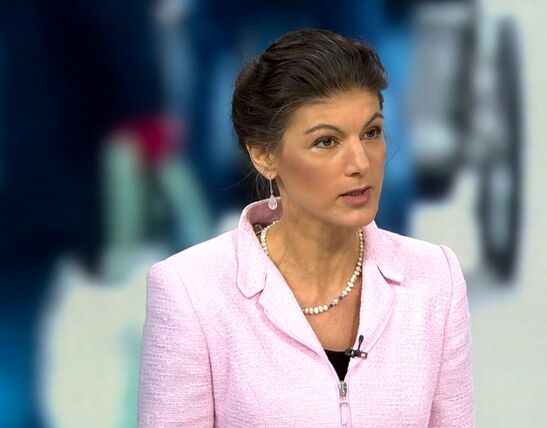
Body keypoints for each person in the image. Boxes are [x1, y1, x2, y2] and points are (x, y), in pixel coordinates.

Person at [137, 28, 474, 427]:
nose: (360, 163)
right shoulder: (190, 291)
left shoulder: (436, 277)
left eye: (371, 133)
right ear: (264, 155)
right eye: (327, 142)